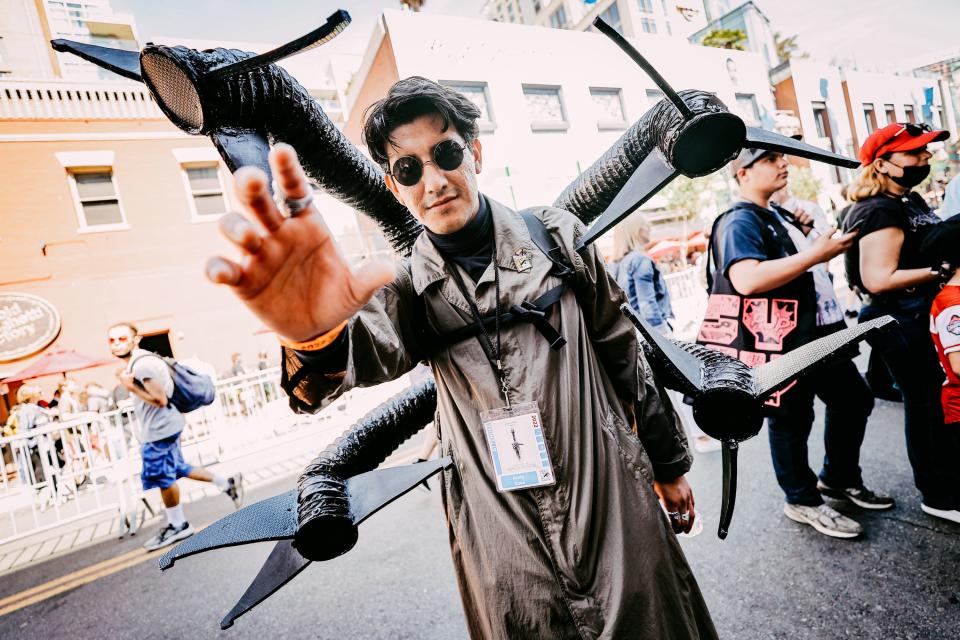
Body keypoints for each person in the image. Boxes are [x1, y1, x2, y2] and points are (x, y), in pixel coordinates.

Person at [205, 77, 716, 638]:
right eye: (409, 169)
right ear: (393, 185)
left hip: (614, 507)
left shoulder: (557, 238)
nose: (434, 179)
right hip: (499, 539)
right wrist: (311, 336)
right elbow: (330, 377)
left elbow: (625, 356)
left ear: (474, 152)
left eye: (445, 153)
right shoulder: (403, 291)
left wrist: (668, 465)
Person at [697, 147, 893, 539]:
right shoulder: (739, 219)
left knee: (854, 398)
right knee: (790, 419)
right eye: (771, 159)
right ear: (743, 174)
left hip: (815, 331)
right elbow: (747, 279)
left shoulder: (778, 214)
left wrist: (808, 238)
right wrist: (815, 253)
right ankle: (802, 499)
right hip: (778, 341)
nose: (783, 163)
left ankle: (836, 478)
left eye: (782, 158)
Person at [843, 122, 960, 524]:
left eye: (926, 150)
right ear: (883, 164)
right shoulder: (880, 209)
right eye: (914, 152)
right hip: (897, 320)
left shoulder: (907, 202)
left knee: (936, 401)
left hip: (914, 316)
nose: (926, 157)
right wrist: (939, 271)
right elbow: (878, 279)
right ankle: (939, 495)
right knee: (926, 403)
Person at [108, 322, 244, 550]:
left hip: (160, 429)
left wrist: (130, 388)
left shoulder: (142, 365)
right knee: (178, 467)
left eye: (122, 339)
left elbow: (159, 400)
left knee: (163, 476)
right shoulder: (141, 361)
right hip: (164, 426)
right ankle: (227, 483)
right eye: (112, 340)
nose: (116, 344)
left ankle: (178, 524)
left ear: (135, 339)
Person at [610, 213, 675, 336]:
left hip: (631, 333)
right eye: (646, 225)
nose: (650, 228)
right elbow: (647, 304)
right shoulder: (639, 260)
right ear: (636, 230)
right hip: (650, 331)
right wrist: (663, 335)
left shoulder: (613, 265)